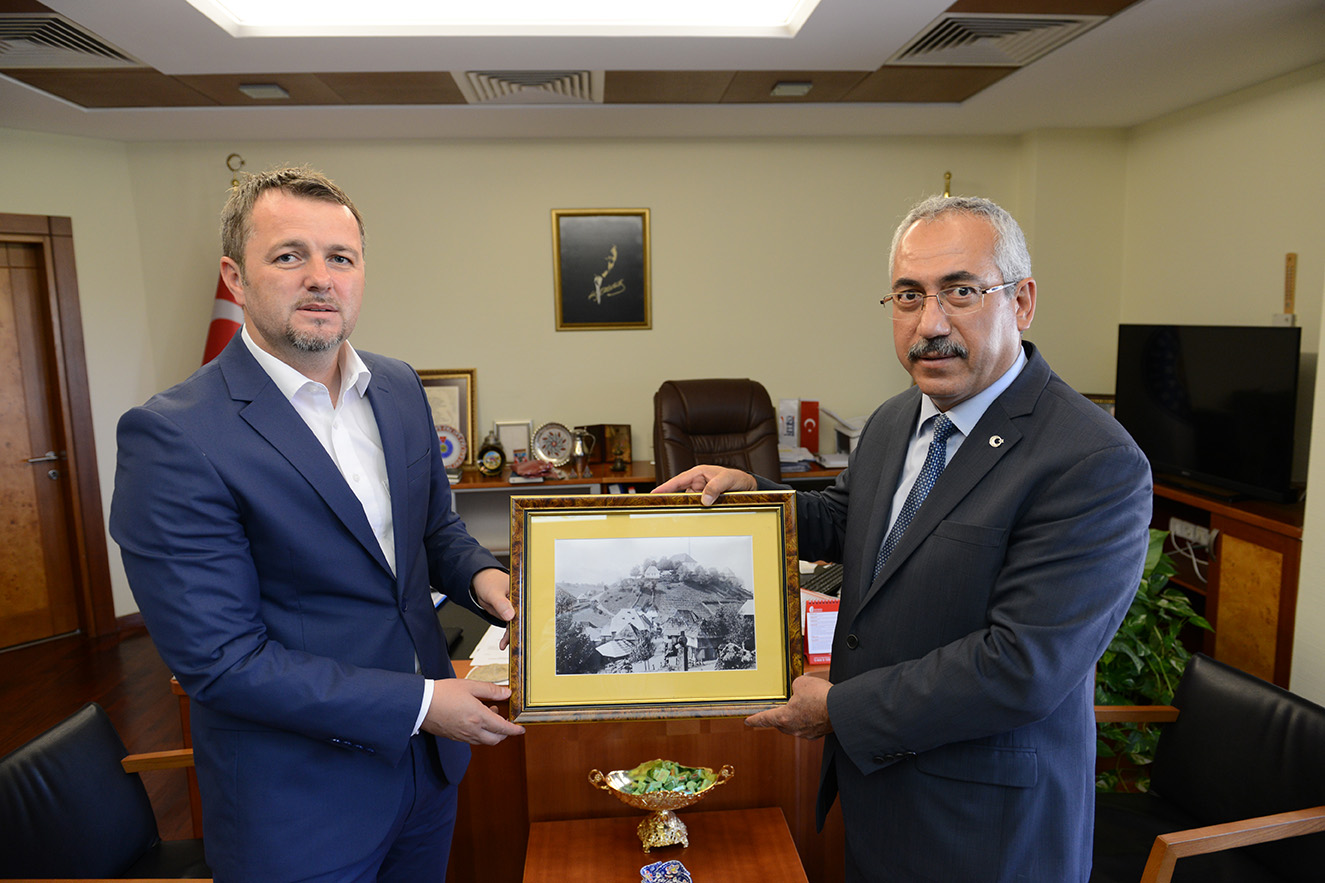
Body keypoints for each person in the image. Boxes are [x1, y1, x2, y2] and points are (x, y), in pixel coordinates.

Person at [654, 195, 1151, 881]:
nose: (930, 324)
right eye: (909, 295)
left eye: (961, 292)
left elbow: (1022, 667)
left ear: (1022, 301)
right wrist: (755, 498)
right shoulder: (895, 419)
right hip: (879, 795)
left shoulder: (1091, 459)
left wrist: (840, 708)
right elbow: (849, 518)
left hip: (986, 828)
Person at [110, 166, 524, 882]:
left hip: (426, 777)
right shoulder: (173, 436)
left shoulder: (398, 387)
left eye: (340, 258)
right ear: (236, 279)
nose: (320, 279)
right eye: (288, 256)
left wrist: (487, 578)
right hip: (299, 804)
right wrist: (425, 703)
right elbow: (222, 660)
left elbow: (432, 531)